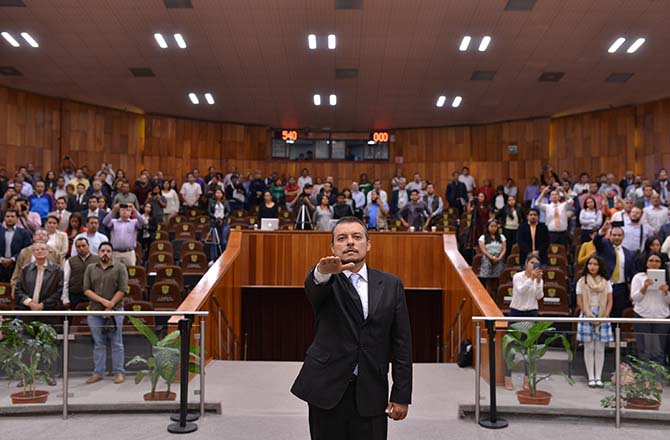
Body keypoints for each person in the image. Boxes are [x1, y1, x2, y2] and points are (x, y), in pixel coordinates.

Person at [291, 217, 412, 440]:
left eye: (357, 237)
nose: (350, 242)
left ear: (368, 244)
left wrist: (401, 394)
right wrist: (321, 271)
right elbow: (314, 287)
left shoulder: (391, 284)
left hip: (371, 390)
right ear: (332, 247)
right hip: (326, 388)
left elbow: (402, 344)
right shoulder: (326, 281)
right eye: (341, 238)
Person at [83, 242, 128, 385]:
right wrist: (103, 302)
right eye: (102, 251)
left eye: (108, 251)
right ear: (98, 252)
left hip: (115, 310)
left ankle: (119, 372)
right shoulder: (91, 268)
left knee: (117, 342)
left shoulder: (120, 267)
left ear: (112, 253)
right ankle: (98, 372)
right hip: (95, 311)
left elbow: (123, 289)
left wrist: (111, 305)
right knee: (98, 343)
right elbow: (86, 289)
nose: (105, 253)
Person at [504, 253, 543, 390]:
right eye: (531, 262)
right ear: (526, 263)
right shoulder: (517, 276)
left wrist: (538, 282)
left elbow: (539, 296)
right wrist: (531, 278)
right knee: (511, 347)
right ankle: (508, 378)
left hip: (531, 313)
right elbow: (520, 291)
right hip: (516, 312)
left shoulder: (538, 279)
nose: (533, 265)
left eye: (536, 263)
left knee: (529, 349)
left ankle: (527, 380)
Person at [576, 256, 613, 388]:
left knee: (600, 348)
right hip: (587, 314)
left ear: (600, 266)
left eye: (595, 264)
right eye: (590, 264)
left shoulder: (606, 282)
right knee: (589, 347)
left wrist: (604, 316)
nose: (592, 266)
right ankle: (591, 377)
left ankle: (598, 377)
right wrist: (588, 315)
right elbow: (579, 301)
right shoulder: (582, 281)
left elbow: (610, 301)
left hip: (603, 315)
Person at [629, 252, 670, 365]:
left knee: (659, 350)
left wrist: (666, 292)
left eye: (657, 261)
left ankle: (659, 375)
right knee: (643, 349)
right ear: (646, 263)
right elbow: (635, 298)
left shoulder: (667, 277)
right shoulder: (638, 277)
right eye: (651, 260)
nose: (654, 263)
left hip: (662, 317)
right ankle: (644, 375)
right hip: (642, 316)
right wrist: (645, 287)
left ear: (661, 263)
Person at [594, 221, 635, 317]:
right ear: (610, 236)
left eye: (619, 235)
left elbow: (632, 273)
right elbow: (597, 241)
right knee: (603, 313)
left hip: (621, 288)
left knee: (619, 314)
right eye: (614, 235)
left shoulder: (629, 253)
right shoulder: (604, 246)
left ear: (623, 237)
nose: (617, 237)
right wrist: (602, 230)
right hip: (605, 286)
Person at [0, 209, 33, 282]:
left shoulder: (24, 233)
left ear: (17, 218)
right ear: (4, 218)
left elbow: (26, 249)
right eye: (7, 216)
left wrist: (13, 259)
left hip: (17, 266)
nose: (10, 218)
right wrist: (1, 259)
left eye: (12, 216)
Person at [478, 219, 507, 295]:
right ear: (488, 227)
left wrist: (499, 257)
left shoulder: (502, 237)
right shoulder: (483, 237)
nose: (493, 228)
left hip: (499, 257)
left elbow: (504, 249)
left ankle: (495, 294)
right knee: (488, 279)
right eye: (491, 226)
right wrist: (491, 257)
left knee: (497, 278)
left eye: (495, 226)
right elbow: (483, 250)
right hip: (487, 257)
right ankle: (488, 293)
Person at [207, 188, 230, 258]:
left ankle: (225, 257)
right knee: (214, 241)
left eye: (220, 193)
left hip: (224, 222)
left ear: (222, 194)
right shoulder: (211, 201)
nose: (218, 194)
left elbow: (228, 211)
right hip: (214, 223)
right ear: (214, 194)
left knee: (224, 241)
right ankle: (213, 258)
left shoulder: (226, 202)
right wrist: (216, 218)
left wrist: (222, 219)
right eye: (217, 192)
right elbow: (209, 211)